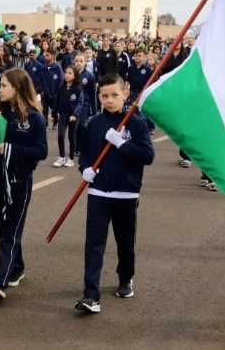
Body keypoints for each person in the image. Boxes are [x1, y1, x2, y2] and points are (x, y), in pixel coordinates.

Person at [75, 74, 155, 314]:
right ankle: (91, 295)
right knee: (94, 244)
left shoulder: (137, 123)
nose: (109, 100)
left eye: (114, 95)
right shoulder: (93, 122)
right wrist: (85, 169)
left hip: (126, 194)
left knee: (125, 242)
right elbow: (85, 152)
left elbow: (147, 156)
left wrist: (122, 144)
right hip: (98, 191)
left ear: (125, 94)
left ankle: (125, 277)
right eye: (104, 96)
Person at [0, 69, 48, 300]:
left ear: (17, 88)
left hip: (20, 181)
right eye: (0, 85)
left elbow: (41, 151)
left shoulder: (35, 118)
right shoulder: (0, 114)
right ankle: (18, 266)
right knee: (5, 229)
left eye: (4, 85)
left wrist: (9, 149)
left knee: (10, 232)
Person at [53, 66, 84, 168]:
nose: (67, 75)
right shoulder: (61, 88)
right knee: (60, 135)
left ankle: (70, 158)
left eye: (70, 73)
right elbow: (57, 102)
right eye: (66, 73)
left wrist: (75, 114)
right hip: (63, 114)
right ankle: (62, 157)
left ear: (75, 76)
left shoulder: (78, 89)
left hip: (73, 116)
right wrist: (54, 114)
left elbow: (80, 103)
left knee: (71, 137)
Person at [42, 51, 64, 129]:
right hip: (46, 93)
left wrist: (57, 92)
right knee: (44, 110)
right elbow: (43, 80)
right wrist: (46, 91)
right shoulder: (43, 67)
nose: (45, 57)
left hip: (55, 93)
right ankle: (45, 124)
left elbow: (61, 80)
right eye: (45, 55)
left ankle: (55, 122)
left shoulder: (58, 67)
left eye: (47, 55)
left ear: (52, 56)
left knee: (54, 110)